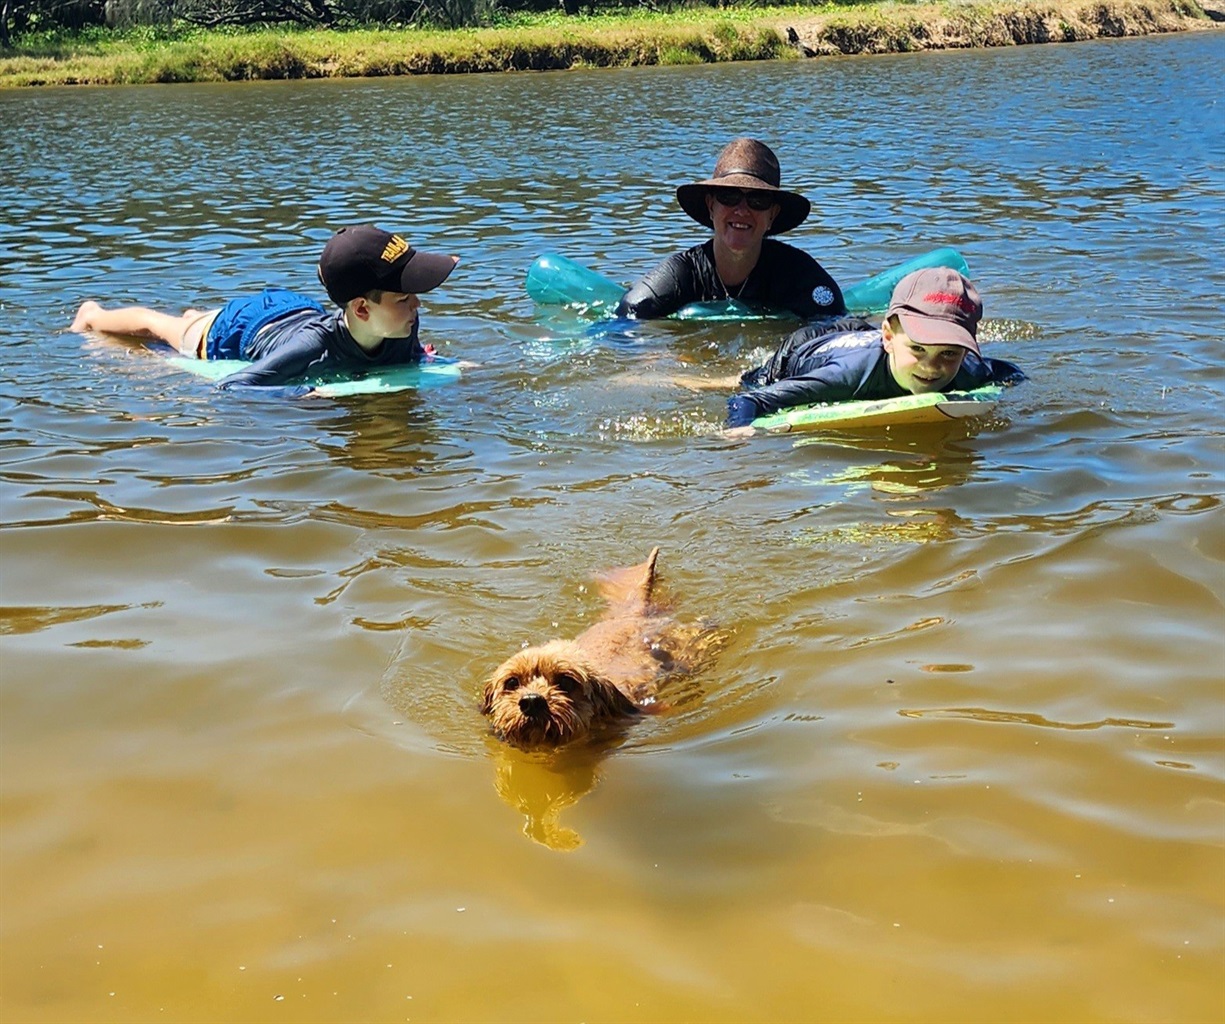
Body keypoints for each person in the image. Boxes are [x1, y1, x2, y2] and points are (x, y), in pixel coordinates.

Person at [69, 224, 459, 392]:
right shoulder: (309, 351)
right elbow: (235, 386)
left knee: (192, 320)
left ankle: (196, 317)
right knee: (167, 330)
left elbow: (411, 359)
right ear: (361, 310)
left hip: (293, 309)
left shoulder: (401, 324)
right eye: (404, 297)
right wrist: (302, 396)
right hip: (241, 330)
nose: (417, 303)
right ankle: (93, 314)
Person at [725, 267, 1026, 431]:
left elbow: (1009, 372)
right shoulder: (844, 377)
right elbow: (748, 401)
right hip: (808, 347)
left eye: (948, 353)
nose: (932, 367)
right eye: (919, 349)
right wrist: (741, 432)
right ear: (889, 336)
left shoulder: (967, 368)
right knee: (746, 380)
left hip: (865, 335)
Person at [615, 137, 844, 321]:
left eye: (758, 200)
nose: (742, 210)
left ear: (772, 215)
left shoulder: (798, 275)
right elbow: (623, 324)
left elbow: (837, 328)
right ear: (711, 206)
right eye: (729, 196)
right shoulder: (681, 276)